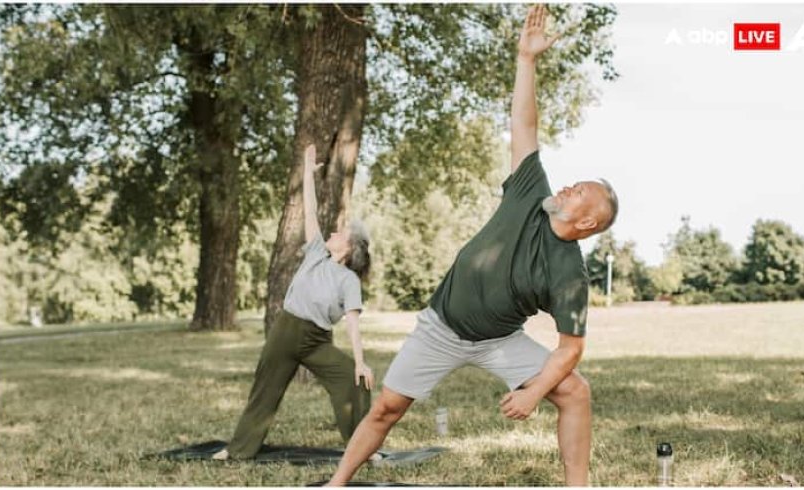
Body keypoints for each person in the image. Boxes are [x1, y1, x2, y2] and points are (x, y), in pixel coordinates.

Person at [326, 5, 618, 486]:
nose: (567, 187)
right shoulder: (531, 191)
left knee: (574, 392)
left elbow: (570, 349)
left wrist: (533, 392)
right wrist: (526, 60)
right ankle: (337, 483)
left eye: (579, 191)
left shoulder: (569, 273)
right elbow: (524, 126)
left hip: (498, 341)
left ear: (587, 222)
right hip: (441, 325)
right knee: (386, 408)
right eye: (573, 183)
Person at [213, 143, 374, 460]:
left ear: (348, 248)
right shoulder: (316, 252)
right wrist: (307, 172)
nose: (332, 232)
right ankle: (238, 450)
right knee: (265, 390)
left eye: (339, 234)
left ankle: (363, 449)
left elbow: (353, 324)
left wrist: (360, 362)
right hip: (286, 332)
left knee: (353, 380)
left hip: (316, 340)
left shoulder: (348, 280)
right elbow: (310, 210)